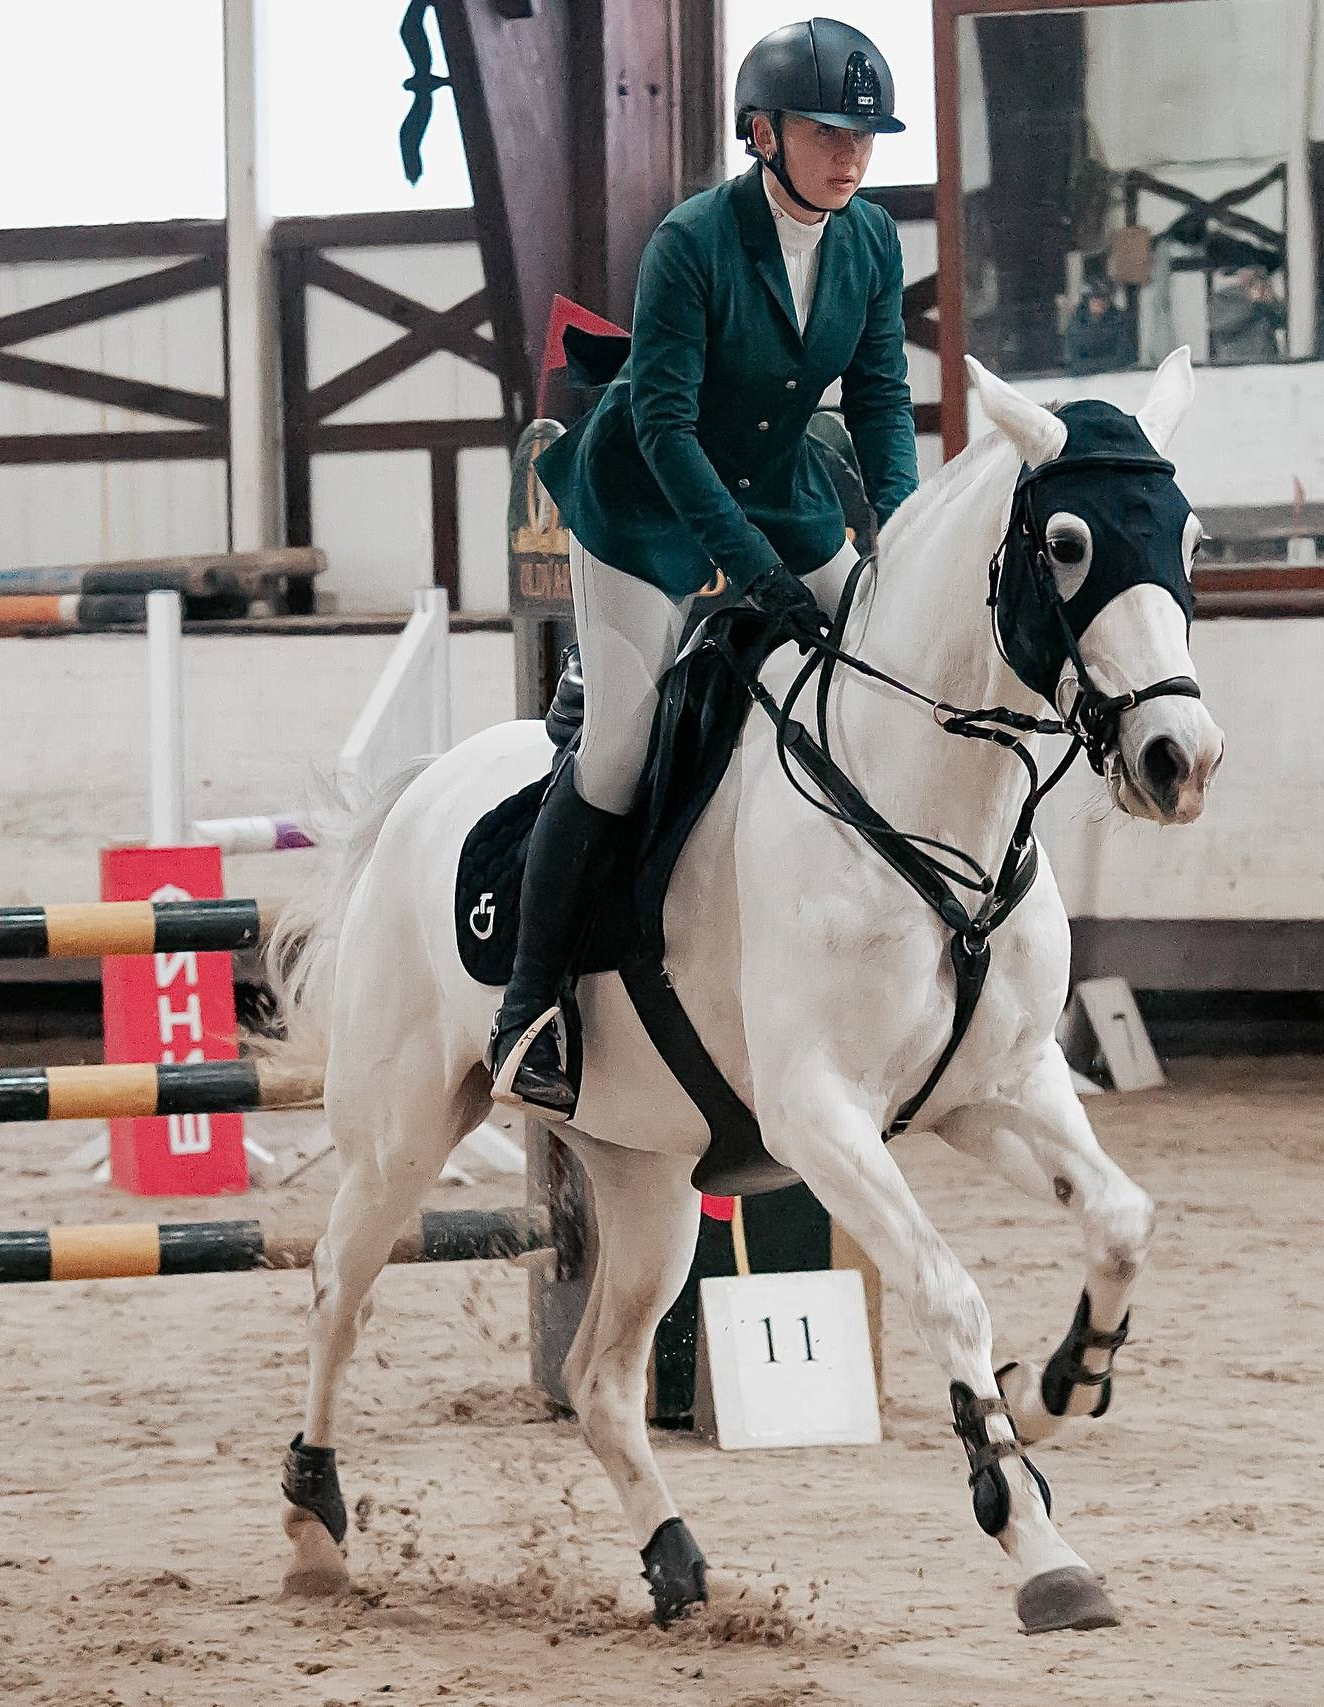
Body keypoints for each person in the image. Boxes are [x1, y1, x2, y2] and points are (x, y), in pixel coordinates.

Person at [490, 17, 920, 1115]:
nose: (851, 155)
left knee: (887, 666)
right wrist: (749, 571)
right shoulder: (690, 241)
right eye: (826, 132)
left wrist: (903, 536)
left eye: (863, 135)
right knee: (618, 753)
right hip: (645, 502)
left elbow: (879, 400)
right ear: (761, 134)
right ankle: (528, 1007)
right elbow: (667, 428)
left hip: (777, 485)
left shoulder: (872, 242)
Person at [1206, 265, 1285, 364]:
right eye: (1251, 270)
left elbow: (1282, 321)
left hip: (1266, 360)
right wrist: (1253, 304)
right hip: (1234, 361)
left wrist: (1270, 302)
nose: (1256, 275)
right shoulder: (1224, 296)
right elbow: (1220, 324)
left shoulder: (1266, 297)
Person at [1063, 276, 1138, 372]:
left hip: (1116, 376)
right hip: (1083, 378)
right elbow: (1072, 360)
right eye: (1095, 297)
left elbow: (1125, 356)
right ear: (1087, 300)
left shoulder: (1120, 321)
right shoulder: (1076, 325)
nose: (1100, 302)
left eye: (1104, 297)